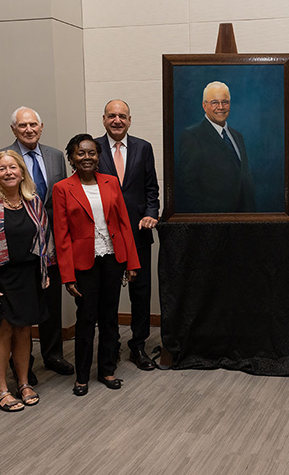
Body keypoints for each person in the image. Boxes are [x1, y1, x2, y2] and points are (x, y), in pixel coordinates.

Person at [0, 106, 72, 382]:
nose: (29, 129)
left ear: (41, 126)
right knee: (18, 312)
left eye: (33, 124)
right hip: (15, 242)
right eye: (22, 126)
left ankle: (53, 354)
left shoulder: (56, 156)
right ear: (13, 129)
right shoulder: (0, 157)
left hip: (50, 240)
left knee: (50, 300)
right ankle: (23, 364)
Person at [0, 150, 54, 412]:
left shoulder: (33, 201)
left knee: (25, 330)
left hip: (28, 275)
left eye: (13, 167)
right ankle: (0, 390)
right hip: (0, 277)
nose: (9, 172)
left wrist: (45, 271)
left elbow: (44, 238)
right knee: (3, 331)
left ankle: (24, 383)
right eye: (2, 169)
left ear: (21, 171)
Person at [54, 134, 141, 396]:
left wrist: (132, 263)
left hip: (113, 258)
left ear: (98, 156)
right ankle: (81, 376)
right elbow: (62, 235)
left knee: (109, 318)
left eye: (92, 153)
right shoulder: (62, 188)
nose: (87, 157)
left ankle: (106, 369)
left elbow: (124, 224)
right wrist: (67, 276)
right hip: (84, 263)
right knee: (86, 318)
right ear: (71, 157)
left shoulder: (111, 182)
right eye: (81, 153)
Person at [95, 99, 160, 371]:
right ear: (104, 119)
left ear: (130, 120)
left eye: (122, 116)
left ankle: (138, 345)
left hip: (138, 232)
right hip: (104, 235)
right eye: (112, 116)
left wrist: (151, 213)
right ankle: (110, 346)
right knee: (106, 293)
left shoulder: (143, 148)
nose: (117, 120)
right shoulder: (92, 148)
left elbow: (151, 189)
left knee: (141, 292)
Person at [176, 81, 255, 213]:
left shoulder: (237, 136)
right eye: (214, 102)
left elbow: (244, 178)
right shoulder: (192, 136)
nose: (221, 107)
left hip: (243, 220)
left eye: (225, 102)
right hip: (213, 223)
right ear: (204, 106)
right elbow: (188, 186)